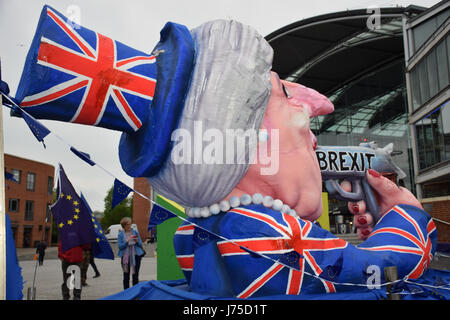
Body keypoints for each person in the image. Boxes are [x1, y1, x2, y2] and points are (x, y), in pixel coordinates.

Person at [10, 8, 439, 298]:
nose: (312, 131)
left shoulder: (200, 230)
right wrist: (407, 215)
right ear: (246, 138)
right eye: (290, 103)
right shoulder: (259, 233)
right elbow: (379, 270)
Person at [117, 217, 145, 290]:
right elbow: (120, 247)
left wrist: (136, 241)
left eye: (130, 224)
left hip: (136, 256)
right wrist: (127, 241)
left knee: (135, 275)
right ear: (124, 225)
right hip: (125, 257)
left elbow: (140, 244)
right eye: (127, 224)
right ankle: (126, 293)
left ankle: (135, 292)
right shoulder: (120, 234)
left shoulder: (135, 232)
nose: (129, 226)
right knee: (126, 275)